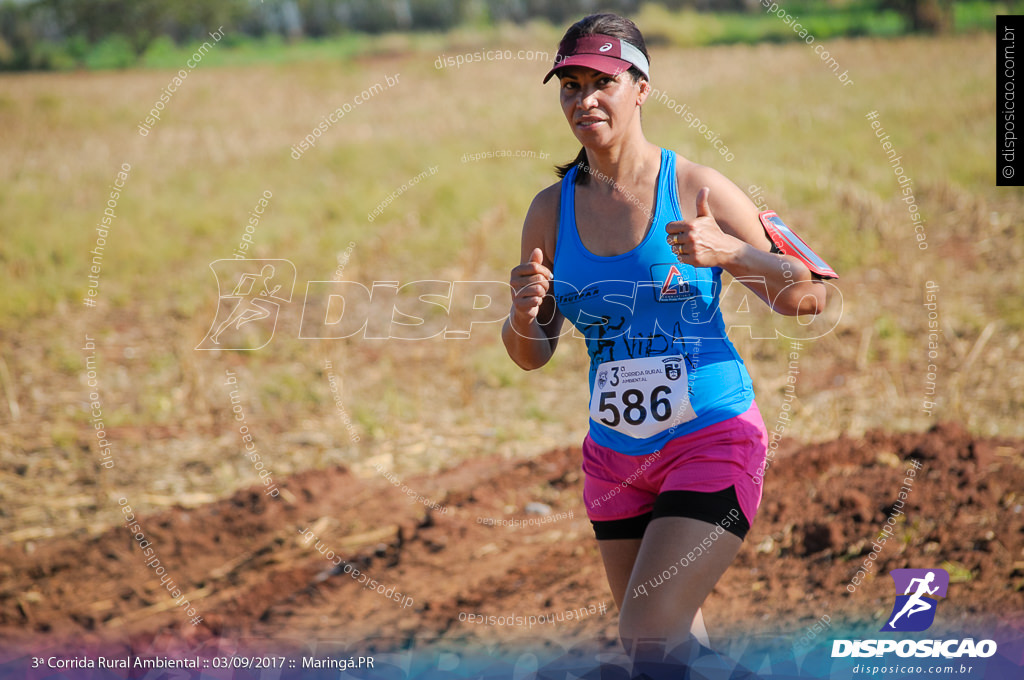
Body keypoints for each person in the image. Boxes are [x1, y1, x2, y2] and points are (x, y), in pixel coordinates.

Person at [500, 11, 836, 673]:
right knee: (670, 653)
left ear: (641, 87)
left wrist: (731, 251)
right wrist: (522, 313)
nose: (584, 99)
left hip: (711, 436)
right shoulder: (549, 208)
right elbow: (532, 353)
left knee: (648, 634)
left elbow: (809, 294)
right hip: (614, 459)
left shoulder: (696, 188)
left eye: (602, 82)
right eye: (569, 86)